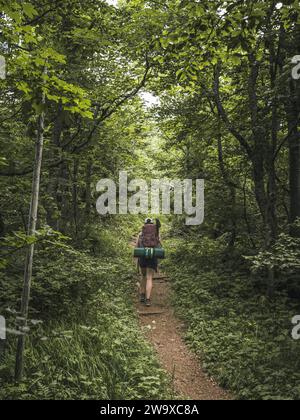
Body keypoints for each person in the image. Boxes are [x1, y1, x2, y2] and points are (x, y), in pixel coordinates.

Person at [136, 218, 162, 307]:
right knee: (149, 277)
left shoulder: (141, 234)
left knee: (143, 276)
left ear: (144, 225)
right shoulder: (156, 234)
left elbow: (136, 246)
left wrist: (137, 259)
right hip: (152, 256)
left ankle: (142, 295)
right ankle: (148, 299)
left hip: (143, 256)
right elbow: (159, 245)